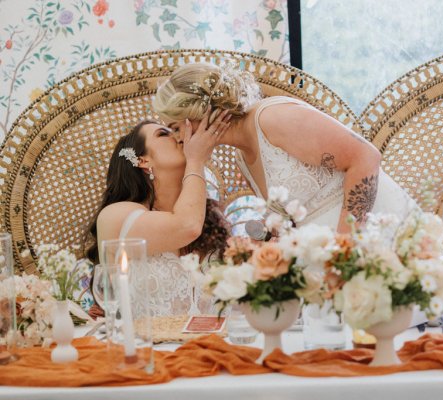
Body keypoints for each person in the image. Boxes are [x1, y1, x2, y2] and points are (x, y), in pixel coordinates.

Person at [152, 63, 417, 233]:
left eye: (176, 128)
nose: (177, 139)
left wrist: (345, 248)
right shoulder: (242, 158)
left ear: (198, 113)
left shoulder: (271, 119)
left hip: (376, 234)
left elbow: (365, 157)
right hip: (322, 259)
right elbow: (286, 220)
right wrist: (254, 243)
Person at [85, 116, 230, 317]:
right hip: (148, 346)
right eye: (164, 133)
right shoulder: (116, 216)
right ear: (143, 160)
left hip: (216, 345)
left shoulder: (210, 220)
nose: (178, 136)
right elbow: (186, 227)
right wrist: (196, 160)